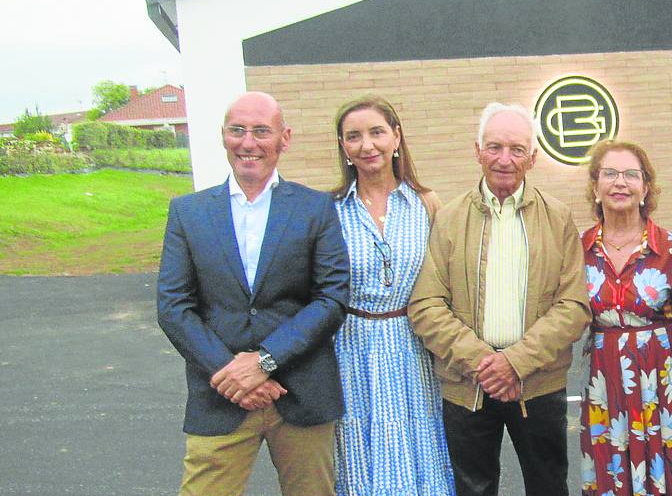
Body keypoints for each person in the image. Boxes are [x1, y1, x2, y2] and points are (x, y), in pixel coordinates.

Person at [157, 91, 350, 495]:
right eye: (238, 130)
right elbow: (174, 307)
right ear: (223, 136)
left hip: (301, 391)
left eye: (262, 131)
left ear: (285, 137)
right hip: (220, 393)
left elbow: (331, 298)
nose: (249, 143)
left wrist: (264, 361)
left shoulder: (315, 208)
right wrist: (231, 372)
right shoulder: (188, 212)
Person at [408, 102, 590, 496]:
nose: (504, 159)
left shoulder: (558, 218)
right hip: (467, 384)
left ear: (534, 157)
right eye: (494, 147)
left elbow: (574, 305)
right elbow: (426, 305)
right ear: (477, 151)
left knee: (548, 487)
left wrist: (515, 362)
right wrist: (485, 365)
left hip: (538, 384)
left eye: (517, 149)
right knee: (473, 489)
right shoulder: (449, 219)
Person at [329, 95, 454, 494]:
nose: (367, 145)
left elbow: (446, 282)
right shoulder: (330, 210)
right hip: (351, 348)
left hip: (412, 344)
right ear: (344, 148)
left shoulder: (426, 203)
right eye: (354, 136)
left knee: (421, 449)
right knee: (359, 454)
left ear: (396, 137)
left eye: (377, 132)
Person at [577, 140, 672, 495]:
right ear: (595, 186)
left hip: (664, 385)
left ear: (645, 188)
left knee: (668, 478)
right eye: (610, 174)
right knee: (612, 478)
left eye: (631, 175)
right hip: (606, 385)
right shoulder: (577, 250)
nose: (620, 183)